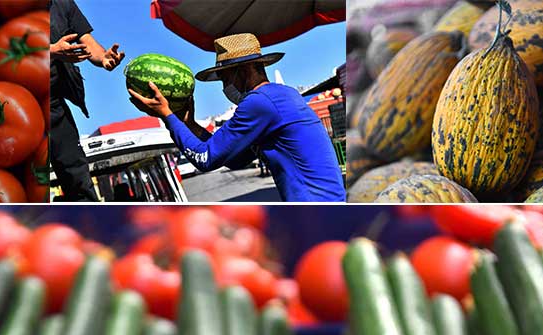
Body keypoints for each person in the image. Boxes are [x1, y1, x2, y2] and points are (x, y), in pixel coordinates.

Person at [128, 33, 346, 202]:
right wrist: (190, 125)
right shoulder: (282, 94)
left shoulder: (259, 102)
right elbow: (237, 159)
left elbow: (206, 159)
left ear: (246, 70)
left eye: (225, 77)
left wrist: (167, 116)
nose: (225, 86)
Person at [50, 0, 125, 201]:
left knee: (76, 172)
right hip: (17, 100)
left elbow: (88, 43)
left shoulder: (63, 4)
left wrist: (103, 58)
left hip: (53, 105)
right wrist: (50, 51)